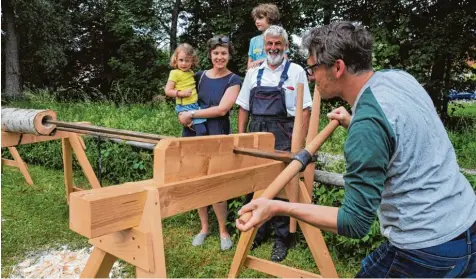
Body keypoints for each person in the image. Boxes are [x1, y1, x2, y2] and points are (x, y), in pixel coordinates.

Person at [236, 21, 476, 277]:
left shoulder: (368, 125)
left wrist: (277, 207)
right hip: (467, 222)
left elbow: (354, 222)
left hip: (426, 246)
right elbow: (402, 134)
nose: (312, 76)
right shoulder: (399, 79)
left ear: (337, 67)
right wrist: (354, 122)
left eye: (314, 67)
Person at [236, 25, 312, 262]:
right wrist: (240, 136)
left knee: (282, 186)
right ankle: (258, 230)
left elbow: (306, 110)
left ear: (285, 46)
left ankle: (281, 238)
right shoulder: (253, 73)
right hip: (257, 131)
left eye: (277, 43)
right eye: (269, 44)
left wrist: (298, 142)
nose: (273, 48)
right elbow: (244, 107)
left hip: (284, 131)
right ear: (264, 46)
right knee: (255, 180)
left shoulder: (296, 71)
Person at [179, 35, 242, 250]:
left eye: (224, 53)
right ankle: (204, 228)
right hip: (193, 133)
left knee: (217, 183)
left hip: (217, 133)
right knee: (198, 180)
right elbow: (182, 99)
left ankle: (224, 230)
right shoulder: (198, 77)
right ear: (210, 55)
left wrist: (192, 113)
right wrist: (181, 114)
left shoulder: (234, 80)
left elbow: (223, 109)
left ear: (229, 55)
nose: (219, 57)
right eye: (216, 53)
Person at [165, 43, 207, 136]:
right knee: (201, 130)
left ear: (192, 61)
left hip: (195, 105)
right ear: (176, 60)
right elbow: (167, 91)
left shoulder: (191, 72)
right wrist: (181, 93)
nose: (184, 63)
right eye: (181, 60)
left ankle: (186, 148)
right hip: (184, 107)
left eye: (187, 60)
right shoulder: (174, 73)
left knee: (189, 131)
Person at [247, 3, 282, 69]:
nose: (256, 22)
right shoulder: (253, 40)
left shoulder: (280, 38)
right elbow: (249, 65)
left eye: (260, 18)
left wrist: (260, 61)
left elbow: (283, 59)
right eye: (255, 19)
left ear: (271, 18)